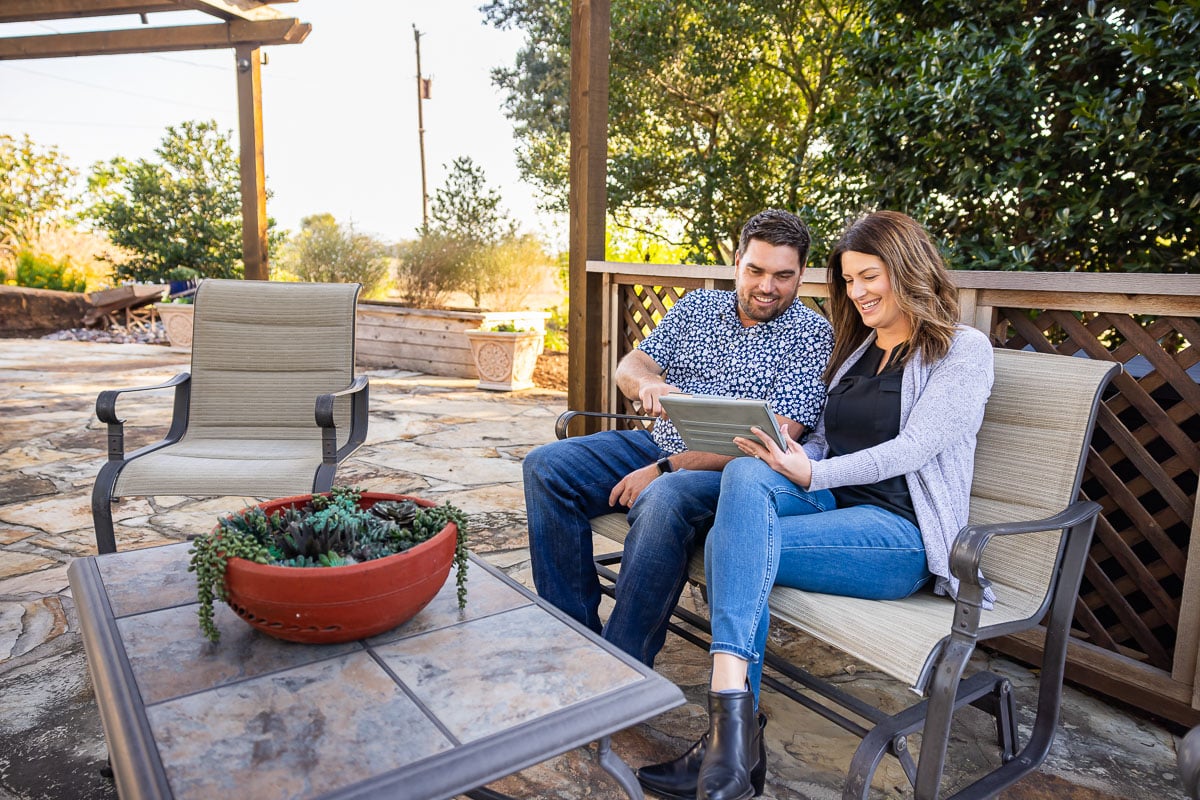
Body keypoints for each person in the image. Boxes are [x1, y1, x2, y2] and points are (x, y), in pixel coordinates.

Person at [640, 211, 996, 800]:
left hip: (897, 534)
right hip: (830, 505)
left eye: (869, 277)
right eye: (849, 280)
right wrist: (779, 451)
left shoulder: (961, 351)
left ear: (907, 269)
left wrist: (813, 470)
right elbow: (829, 440)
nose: (857, 293)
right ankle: (733, 745)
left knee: (736, 538)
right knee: (747, 475)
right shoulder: (857, 353)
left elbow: (913, 449)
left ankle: (727, 748)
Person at [522, 209, 833, 674]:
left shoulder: (812, 337)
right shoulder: (696, 309)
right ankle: (573, 634)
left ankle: (624, 666)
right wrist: (647, 384)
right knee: (545, 466)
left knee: (664, 496)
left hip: (731, 476)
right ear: (737, 262)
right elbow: (631, 364)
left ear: (802, 274)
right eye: (757, 270)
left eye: (783, 275)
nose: (767, 286)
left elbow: (773, 439)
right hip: (654, 444)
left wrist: (667, 468)